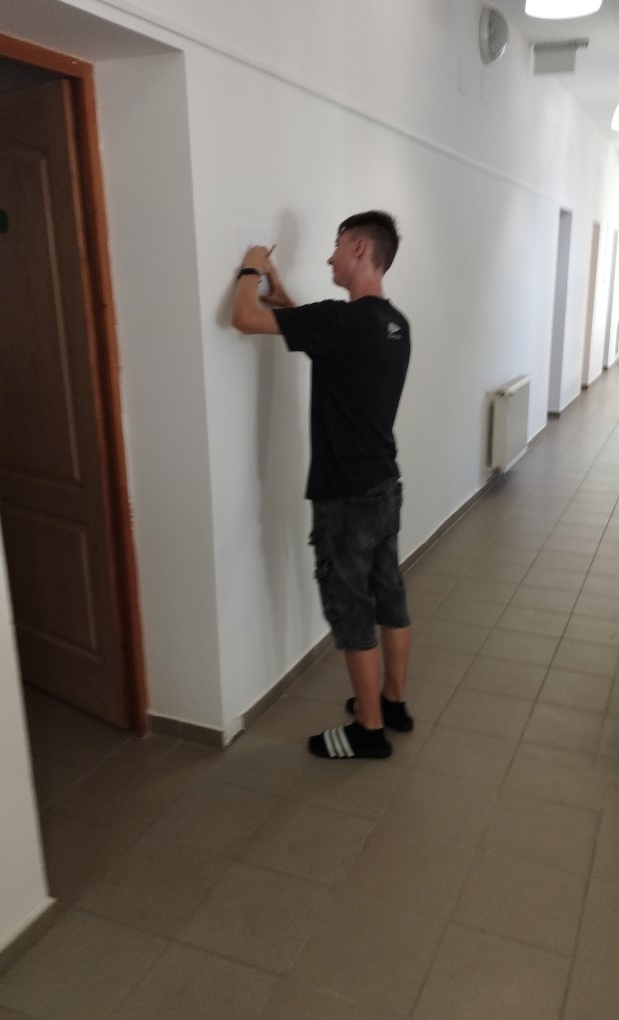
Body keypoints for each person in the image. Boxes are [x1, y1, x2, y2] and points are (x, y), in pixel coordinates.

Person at [232, 211, 412, 759]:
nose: (329, 256)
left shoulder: (341, 322)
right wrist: (284, 296)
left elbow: (243, 318)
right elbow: (326, 336)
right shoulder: (394, 324)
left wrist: (250, 269)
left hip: (344, 496)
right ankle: (393, 702)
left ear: (358, 248)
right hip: (384, 486)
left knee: (350, 606)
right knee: (389, 594)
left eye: (336, 245)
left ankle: (368, 731)